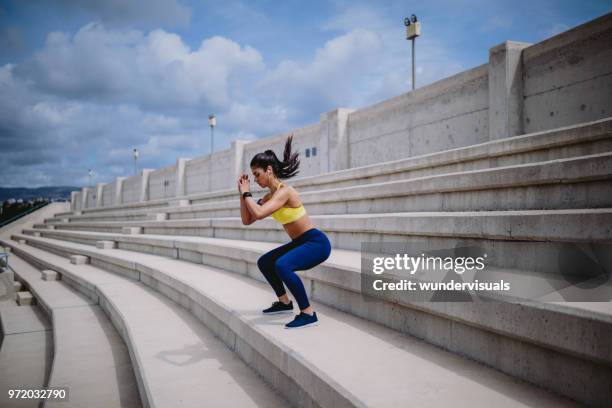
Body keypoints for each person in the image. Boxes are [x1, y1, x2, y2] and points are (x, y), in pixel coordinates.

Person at [237, 135, 331, 329]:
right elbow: (247, 220)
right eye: (253, 176)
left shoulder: (285, 192)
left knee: (282, 265)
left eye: (257, 174)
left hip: (315, 242)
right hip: (299, 243)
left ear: (268, 170)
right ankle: (284, 303)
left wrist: (247, 194)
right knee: (265, 262)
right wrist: (242, 195)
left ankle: (308, 313)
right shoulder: (269, 197)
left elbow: (260, 213)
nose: (255, 179)